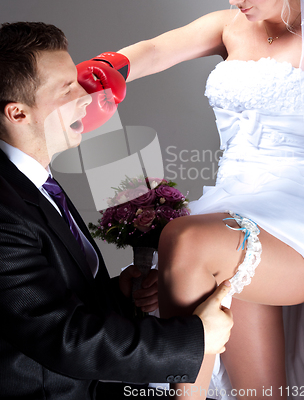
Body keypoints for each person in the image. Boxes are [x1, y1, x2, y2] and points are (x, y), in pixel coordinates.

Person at [117, 0, 304, 400]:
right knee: (259, 391)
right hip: (233, 203)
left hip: (303, 210)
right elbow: (154, 49)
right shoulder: (229, 27)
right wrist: (102, 70)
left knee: (187, 240)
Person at [0, 21, 234, 400]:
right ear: (18, 114)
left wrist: (117, 295)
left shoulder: (33, 182)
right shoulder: (5, 208)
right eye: (67, 89)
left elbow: (41, 298)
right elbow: (61, 337)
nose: (86, 96)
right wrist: (195, 339)